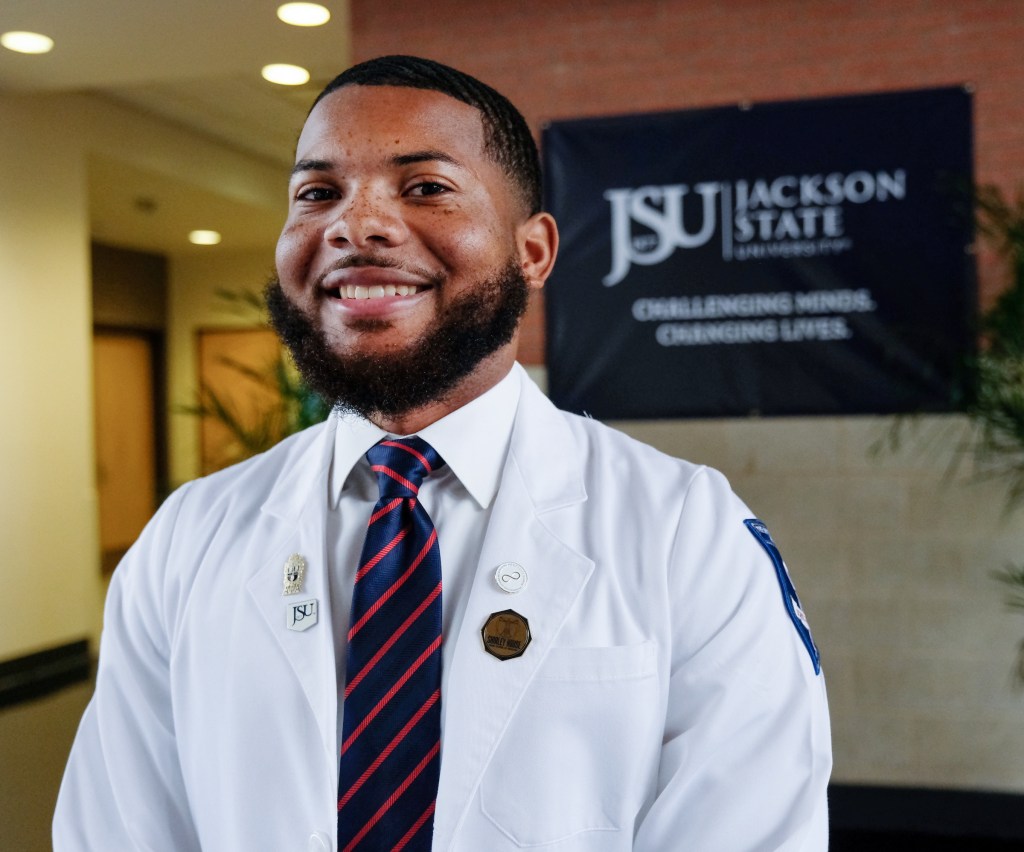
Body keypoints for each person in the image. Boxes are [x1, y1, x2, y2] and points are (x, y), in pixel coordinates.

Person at [54, 55, 831, 851]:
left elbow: (751, 826)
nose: (356, 225)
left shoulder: (687, 532)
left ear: (533, 252)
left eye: (425, 187)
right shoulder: (188, 537)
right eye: (317, 193)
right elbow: (116, 829)